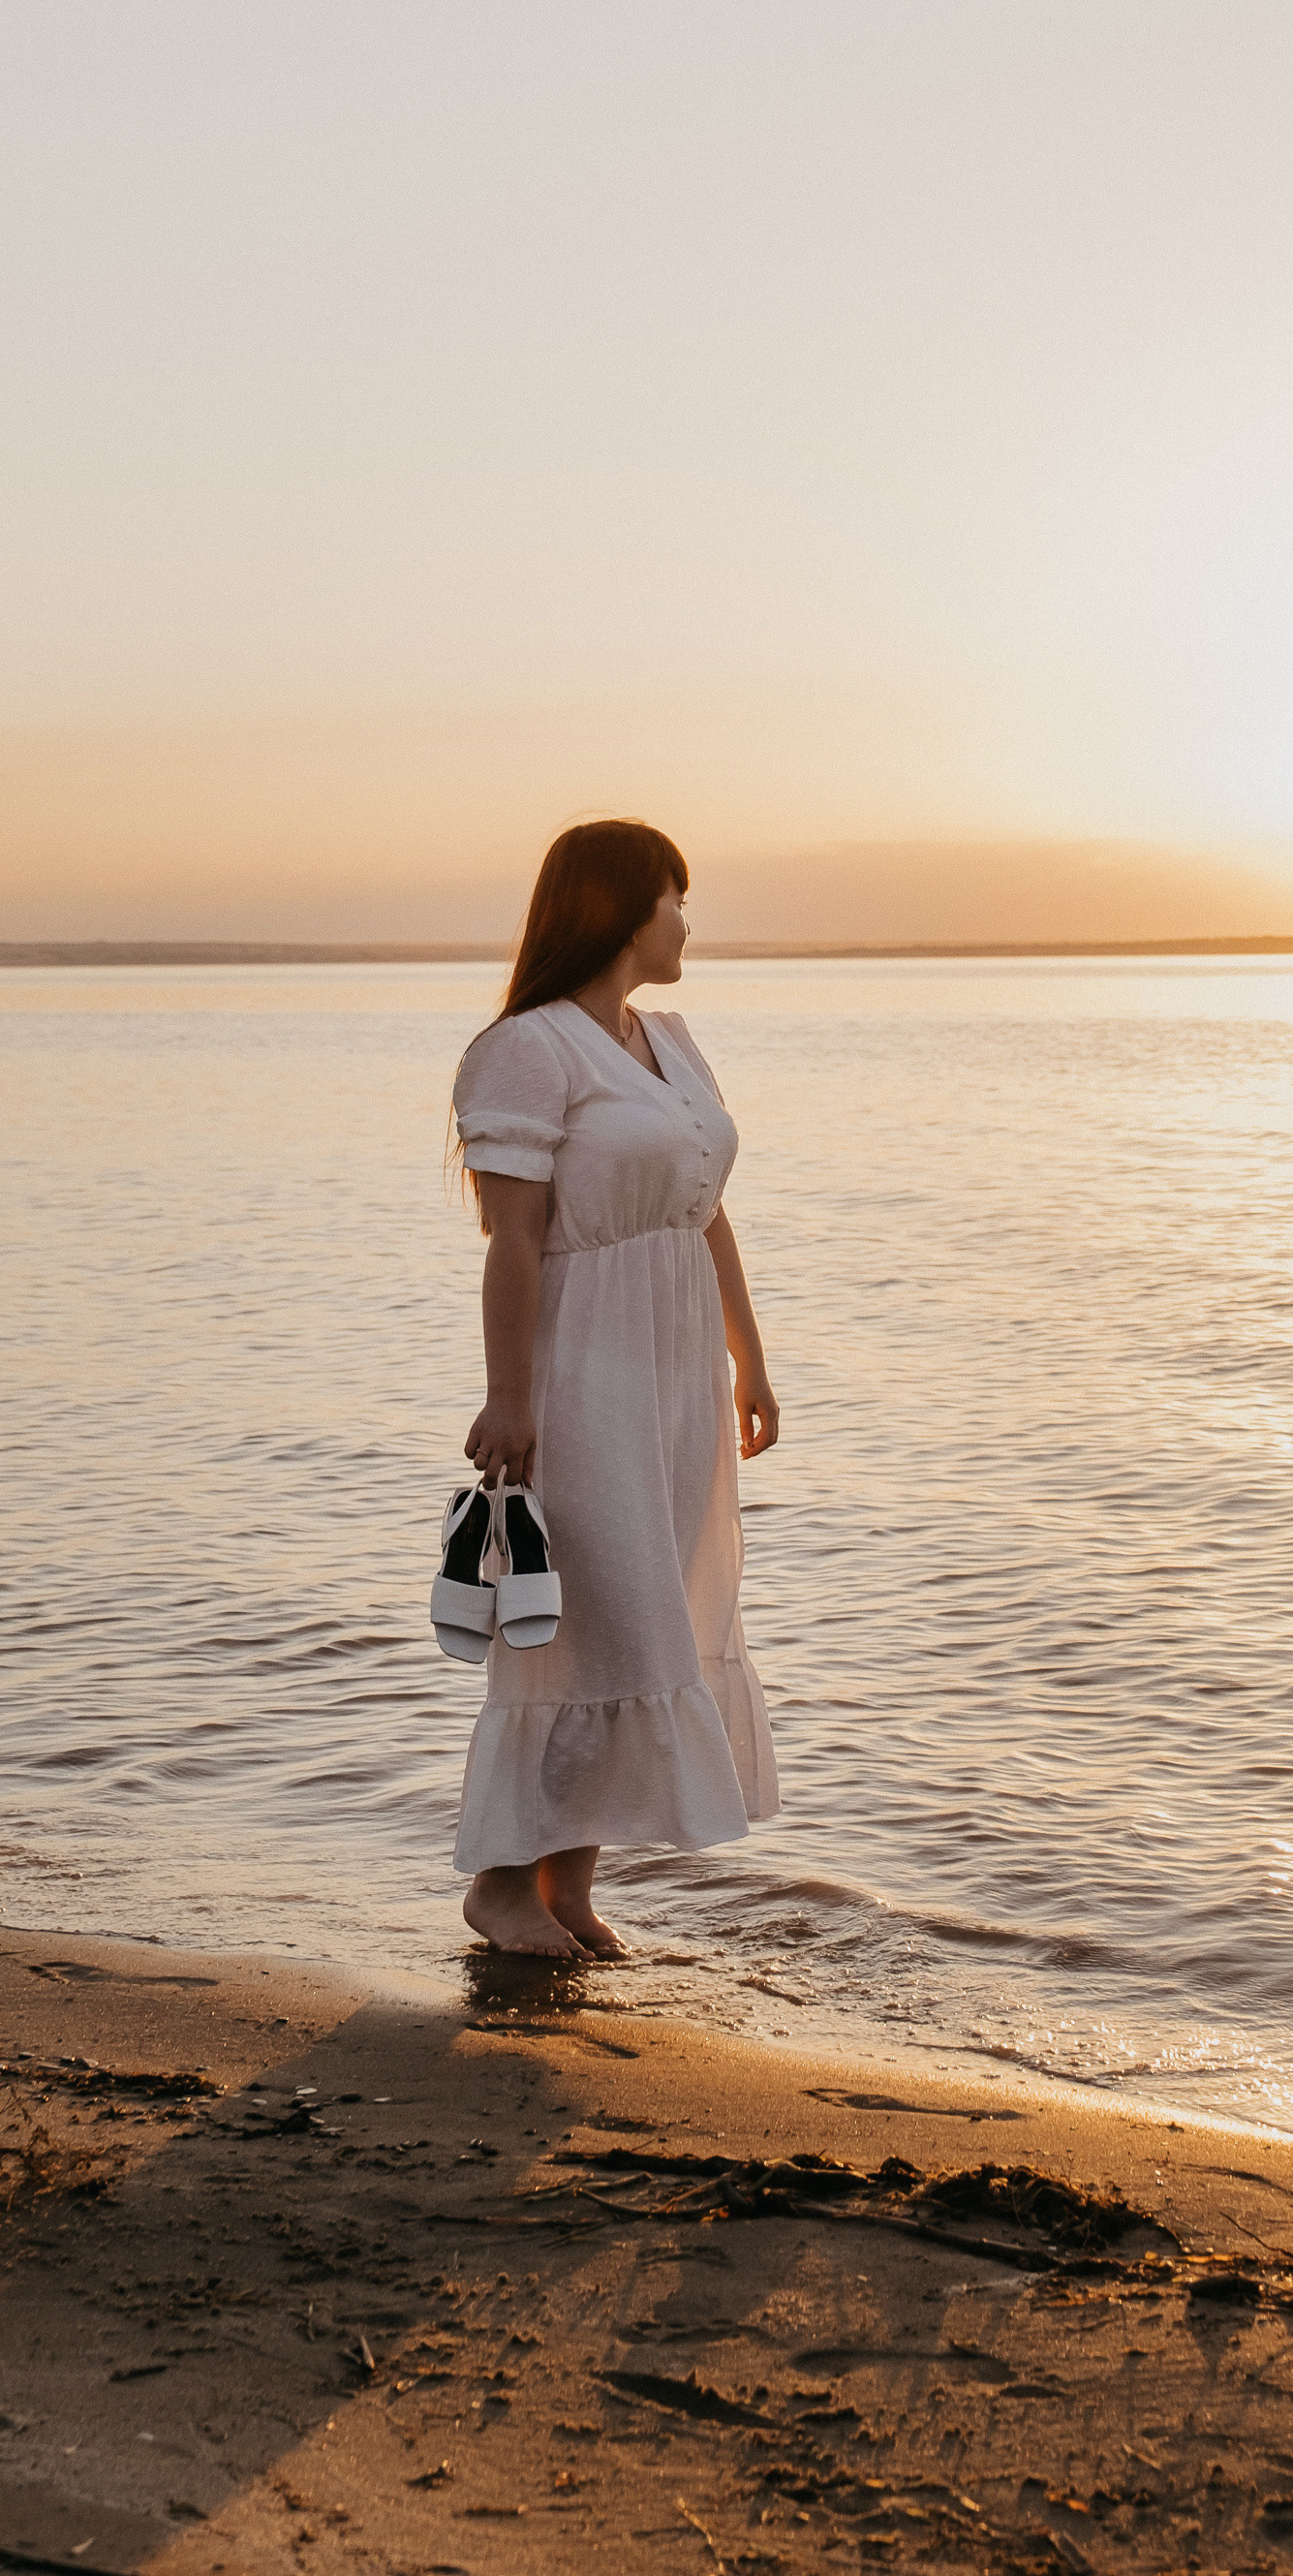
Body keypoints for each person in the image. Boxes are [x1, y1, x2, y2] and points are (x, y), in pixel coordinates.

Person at [446, 818, 781, 1956]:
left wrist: (747, 1357)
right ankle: (503, 1886)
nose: (686, 920)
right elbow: (512, 1237)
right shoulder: (525, 1048)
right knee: (592, 1620)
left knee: (650, 1619)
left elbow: (706, 1211)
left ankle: (567, 1888)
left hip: (676, 1373)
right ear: (622, 907)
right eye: (675, 898)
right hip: (583, 1363)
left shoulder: (668, 1041)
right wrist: (509, 1397)